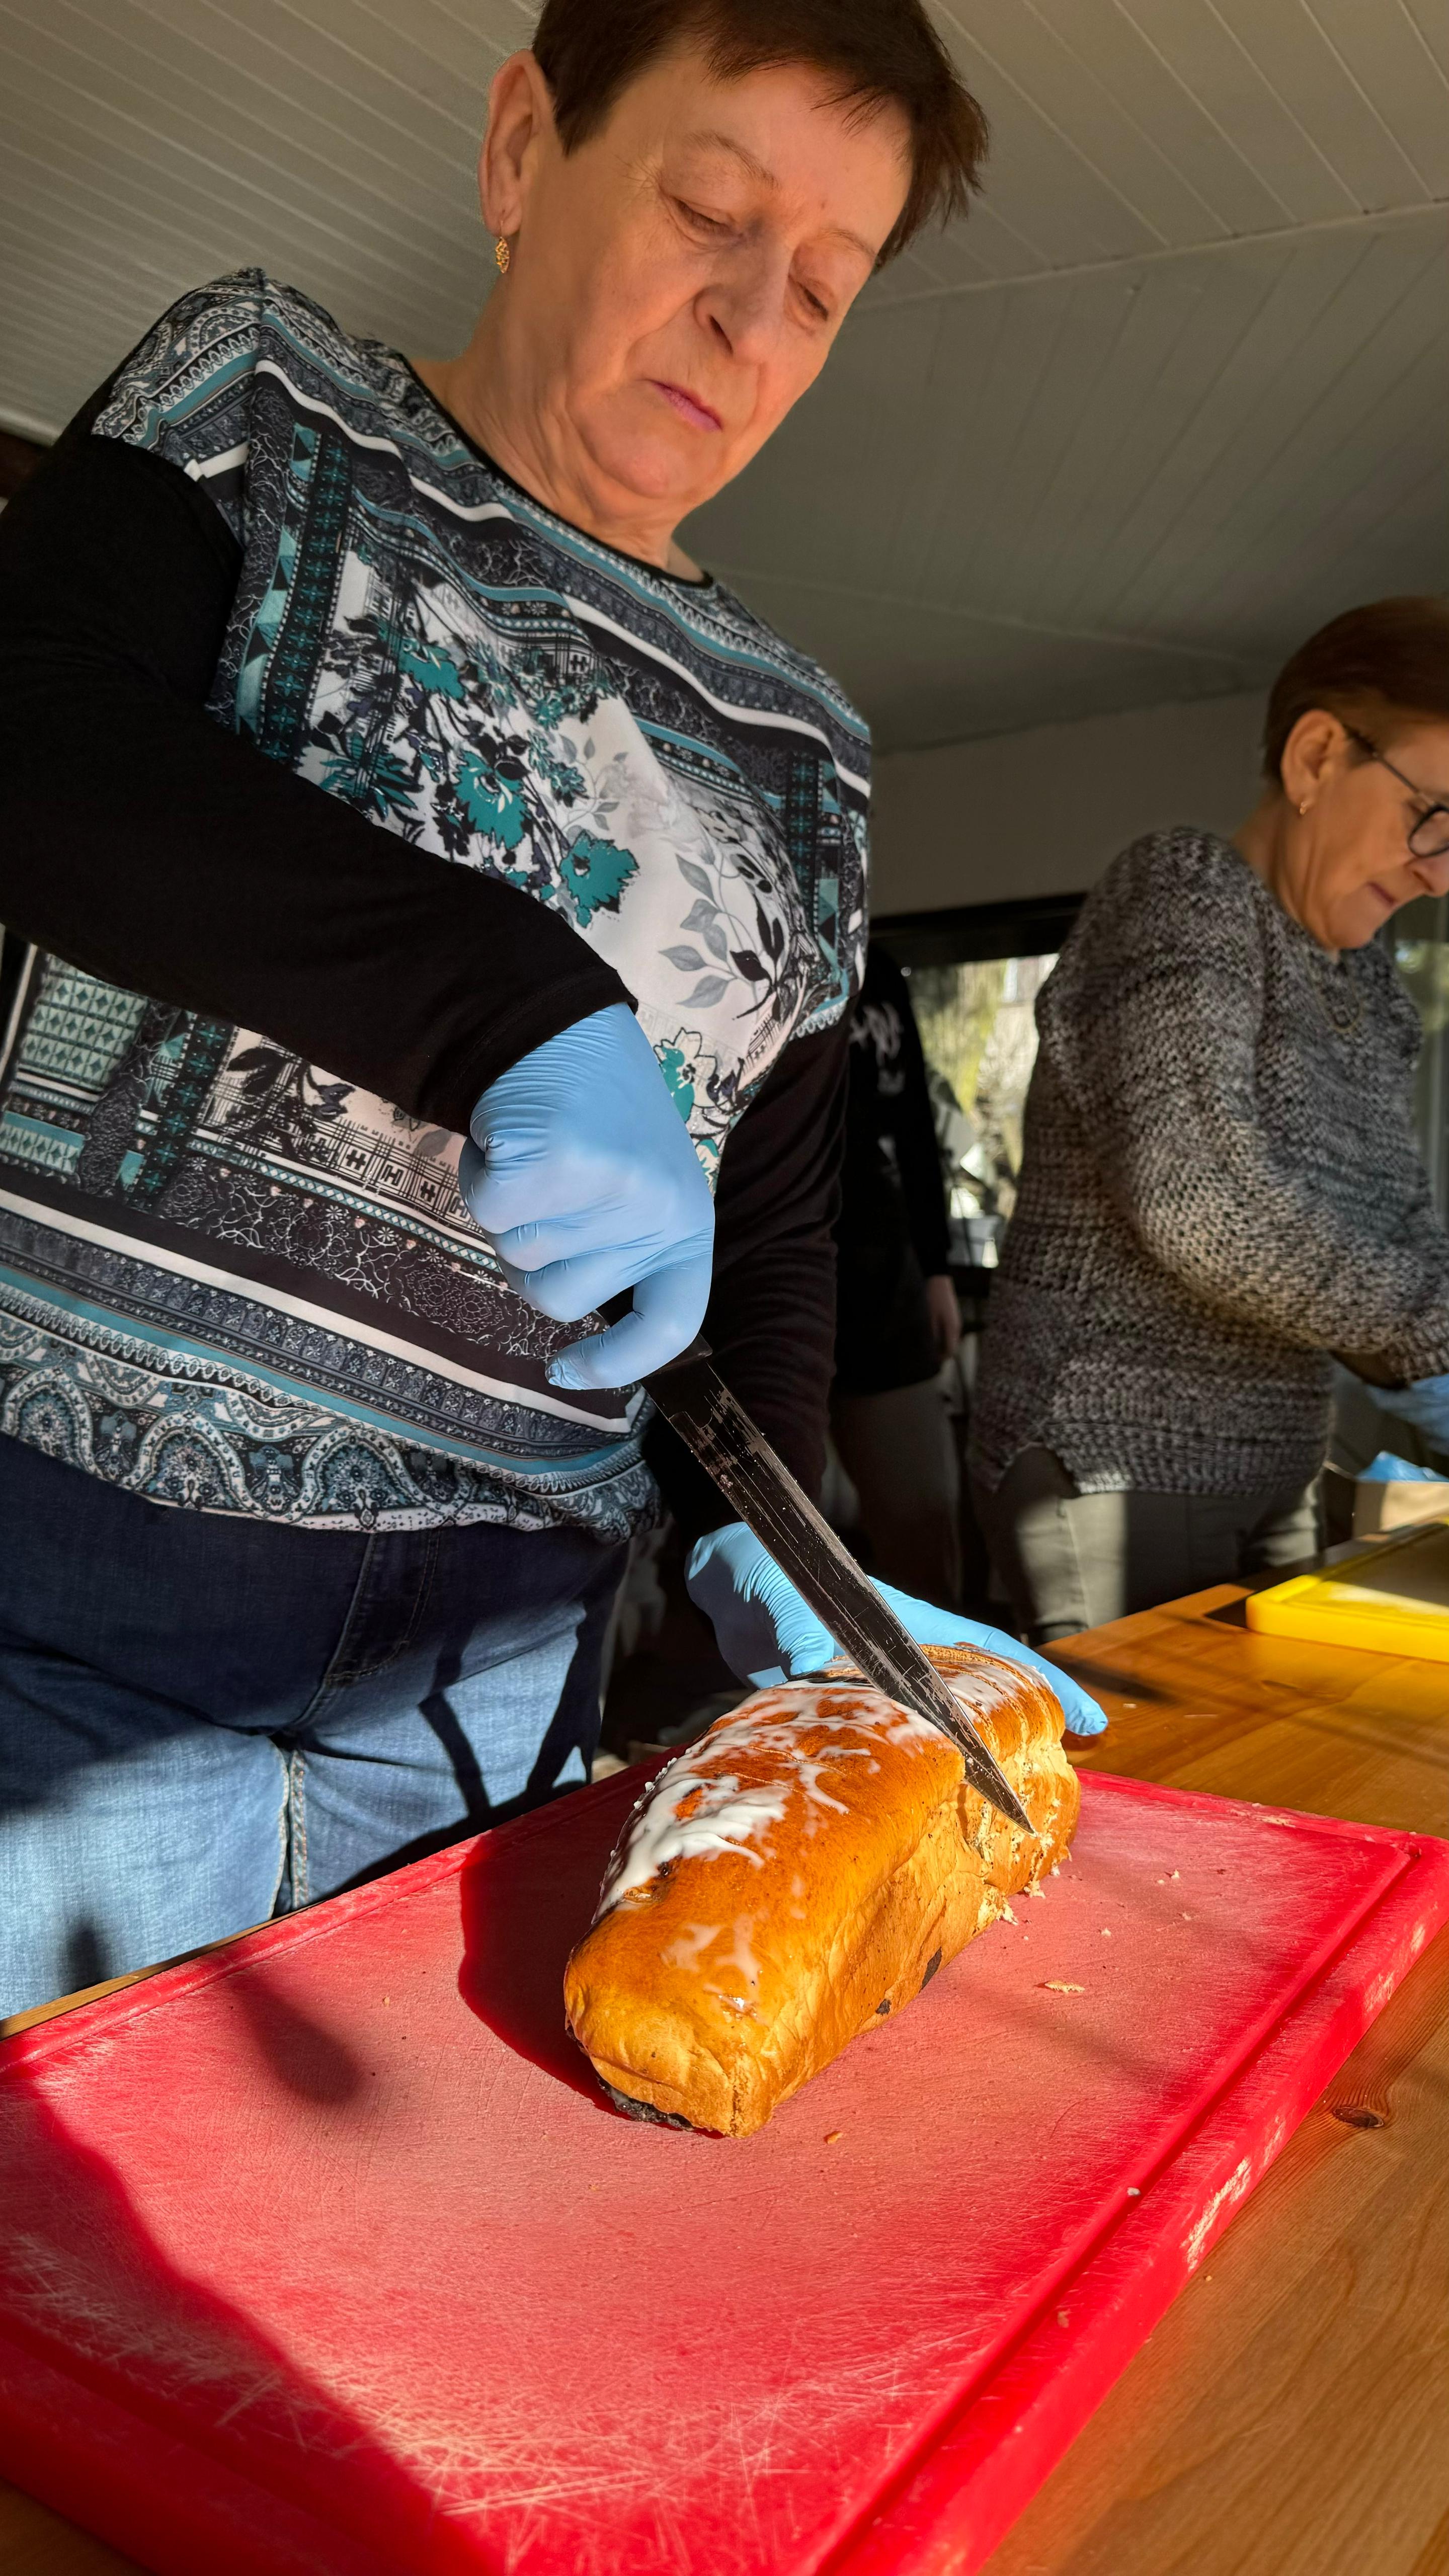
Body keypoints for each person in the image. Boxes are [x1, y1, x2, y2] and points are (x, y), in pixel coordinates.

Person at [0, 0, 1103, 2015]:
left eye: (823, 288)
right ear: (523, 152)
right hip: (80, 1588)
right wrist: (508, 1003)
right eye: (708, 211)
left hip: (505, 1657)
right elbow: (41, 741)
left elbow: (771, 1217)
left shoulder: (807, 750)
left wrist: (766, 1518)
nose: (751, 322)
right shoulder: (260, 393)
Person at [970, 597, 1449, 1645]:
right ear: (1318, 756)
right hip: (1115, 1450)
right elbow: (1201, 1201)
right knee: (1157, 1749)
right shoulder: (1184, 893)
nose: (1439, 869)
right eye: (1435, 816)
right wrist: (1432, 1324)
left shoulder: (1372, 990)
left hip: (1277, 1457)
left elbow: (1399, 1234)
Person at [831, 941, 962, 1605]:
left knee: (921, 1515)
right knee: (764, 1532)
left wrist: (937, 1269)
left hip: (882, 1267)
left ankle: (941, 1664)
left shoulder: (877, 969)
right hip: (751, 1265)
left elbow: (914, 1125)